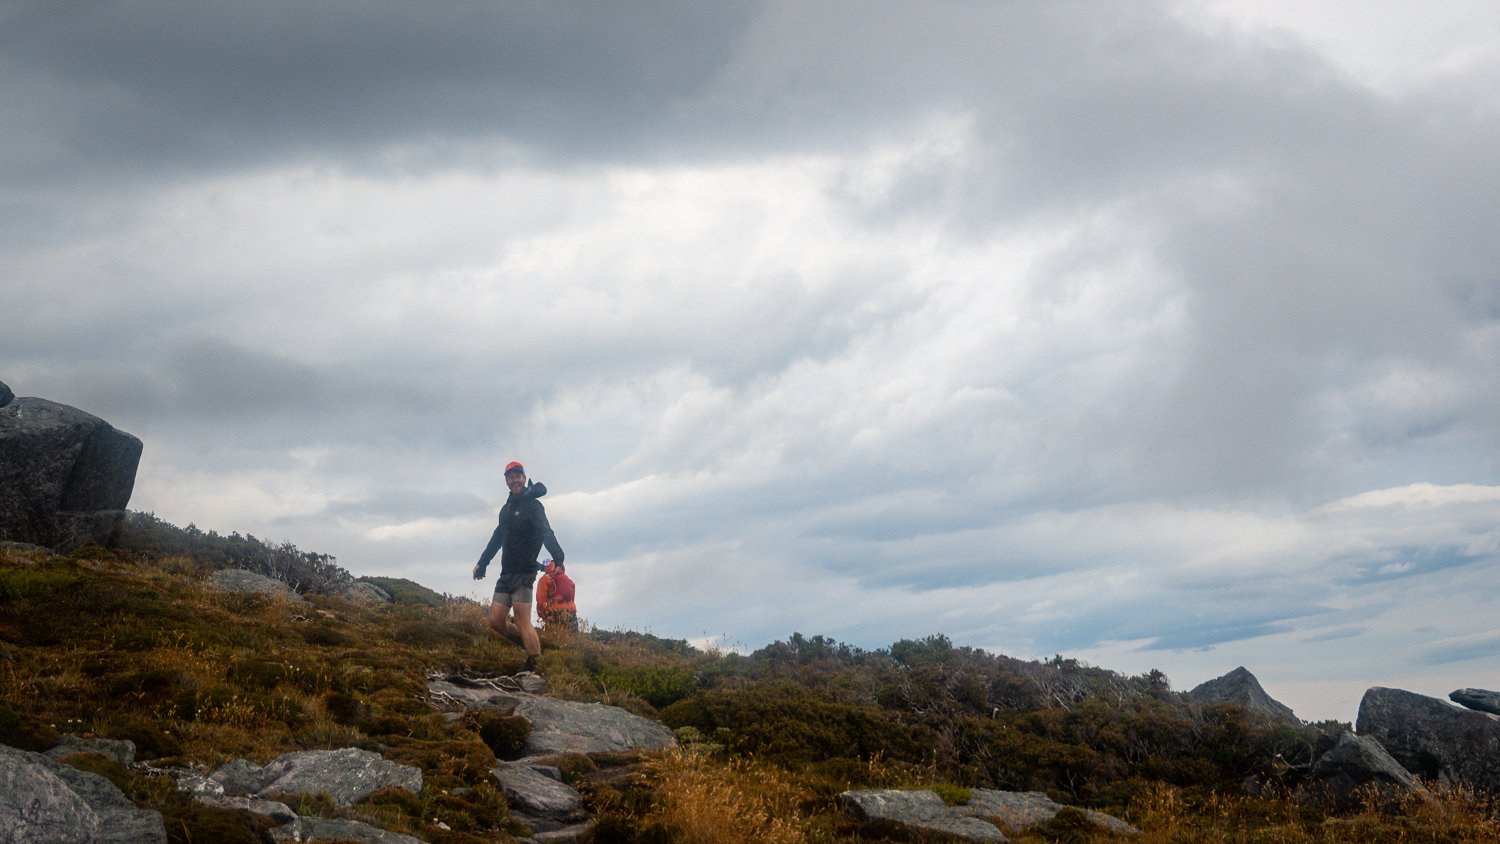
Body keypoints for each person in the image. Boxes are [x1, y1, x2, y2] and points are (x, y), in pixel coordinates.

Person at [472, 461, 563, 674]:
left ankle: (535, 664)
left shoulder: (533, 506)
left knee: (522, 619)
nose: (514, 480)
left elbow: (545, 532)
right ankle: (530, 644)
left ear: (524, 478)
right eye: (510, 477)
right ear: (506, 481)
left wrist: (558, 557)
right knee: (495, 621)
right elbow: (497, 538)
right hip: (506, 574)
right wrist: (482, 564)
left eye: (518, 476)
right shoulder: (506, 509)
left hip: (524, 573)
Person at [536, 559, 577, 631]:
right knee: (573, 639)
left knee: (552, 639)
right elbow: (571, 595)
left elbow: (540, 600)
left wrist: (542, 614)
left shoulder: (545, 579)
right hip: (571, 612)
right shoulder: (566, 579)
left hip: (554, 613)